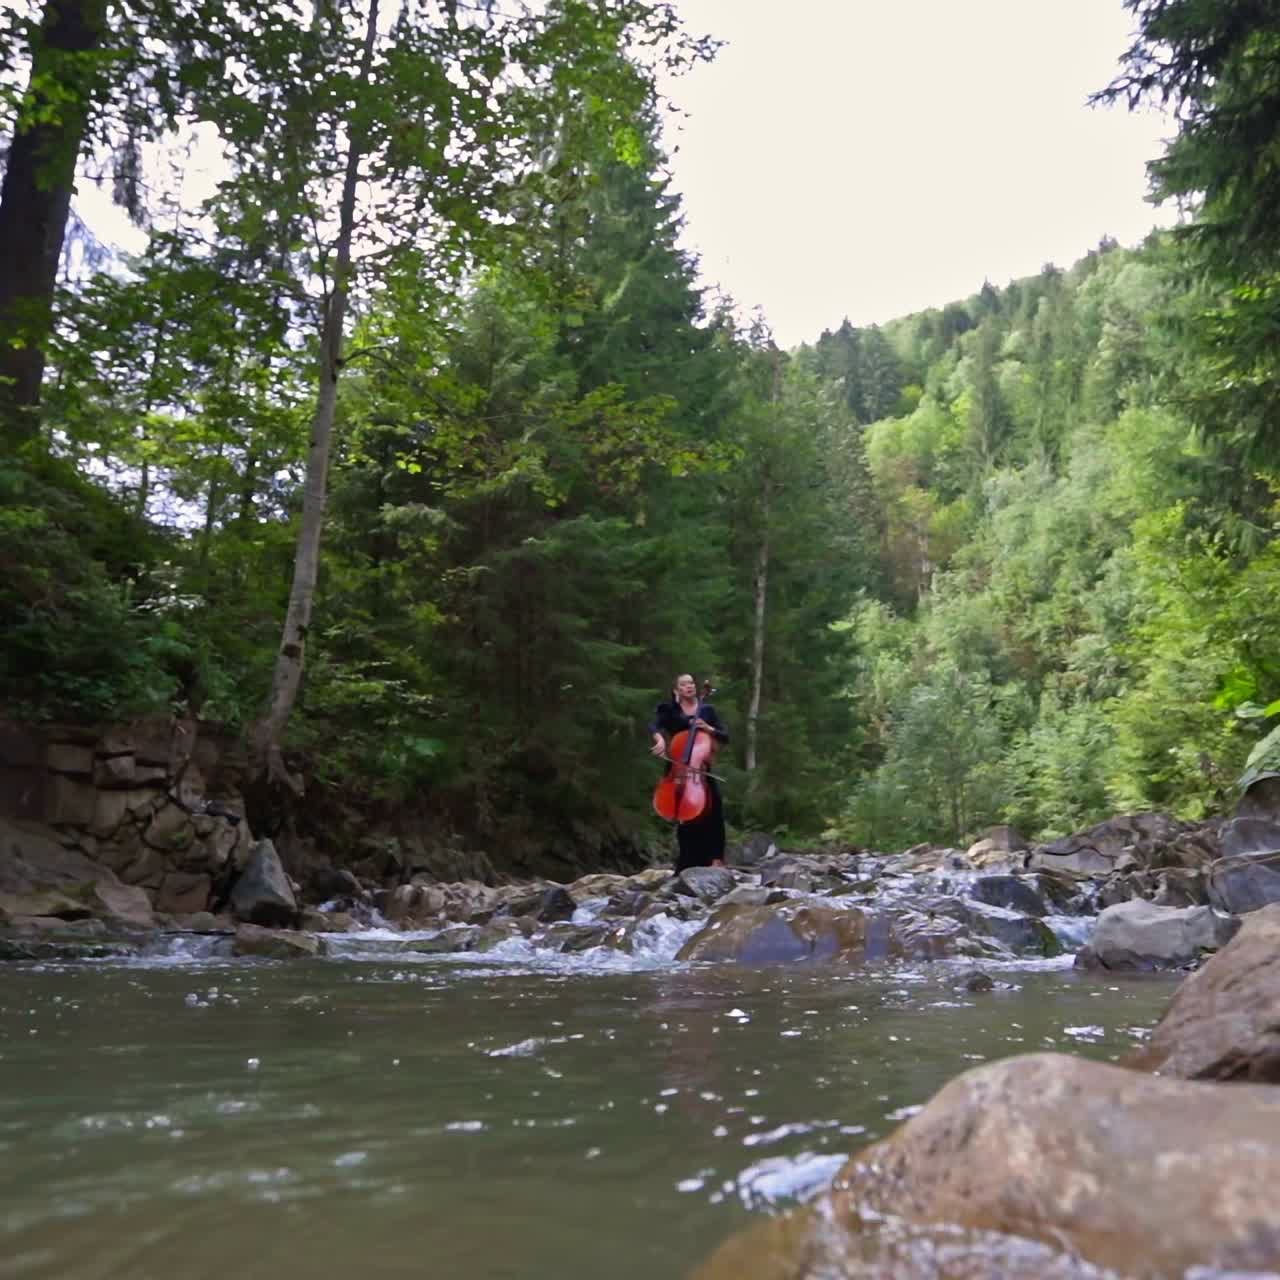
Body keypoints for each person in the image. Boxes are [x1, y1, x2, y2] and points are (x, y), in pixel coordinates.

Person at [649, 673, 729, 871]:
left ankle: (715, 860)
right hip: (677, 767)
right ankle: (686, 863)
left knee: (714, 812)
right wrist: (659, 739)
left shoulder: (707, 710)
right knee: (683, 817)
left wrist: (708, 728)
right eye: (684, 684)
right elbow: (654, 725)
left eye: (691, 683)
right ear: (676, 691)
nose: (689, 686)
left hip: (700, 769)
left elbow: (725, 737)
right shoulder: (668, 709)